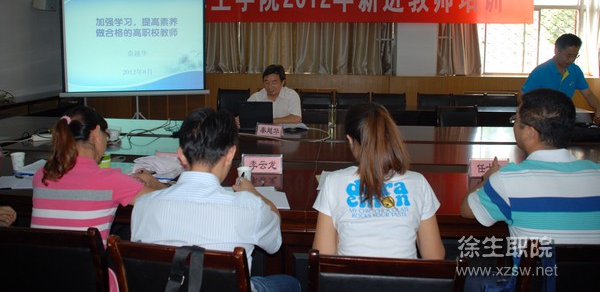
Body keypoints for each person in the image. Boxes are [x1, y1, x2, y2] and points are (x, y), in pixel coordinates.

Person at [131, 107, 301, 292]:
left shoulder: (143, 206)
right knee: (290, 283)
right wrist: (254, 193)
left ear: (181, 155)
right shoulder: (250, 207)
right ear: (230, 154)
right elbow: (274, 244)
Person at [461, 88, 600, 291]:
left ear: (529, 132)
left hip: (533, 287)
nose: (514, 126)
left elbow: (466, 209)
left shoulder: (507, 180)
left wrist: (488, 179)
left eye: (515, 120)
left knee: (466, 278)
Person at [312, 102, 445, 260]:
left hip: (351, 277)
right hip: (404, 277)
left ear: (350, 140)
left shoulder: (333, 183)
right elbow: (435, 257)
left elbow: (323, 256)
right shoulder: (418, 183)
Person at [31, 105, 165, 245]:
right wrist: (154, 182)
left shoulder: (42, 174)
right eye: (106, 135)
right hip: (90, 259)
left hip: (41, 259)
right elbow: (169, 202)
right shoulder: (111, 180)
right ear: (95, 133)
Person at [520, 33, 600, 122]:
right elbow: (522, 97)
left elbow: (588, 94)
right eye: (568, 56)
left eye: (575, 56)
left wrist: (598, 108)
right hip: (543, 118)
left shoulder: (575, 70)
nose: (572, 60)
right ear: (556, 50)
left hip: (564, 117)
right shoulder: (541, 71)